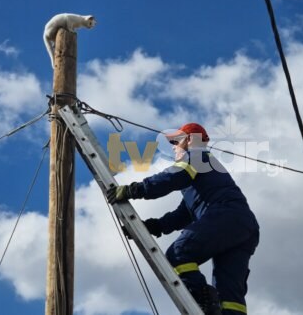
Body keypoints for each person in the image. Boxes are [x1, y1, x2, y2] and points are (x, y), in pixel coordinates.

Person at [107, 122, 259, 315]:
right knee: (229, 295)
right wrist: (154, 226)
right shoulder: (204, 172)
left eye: (176, 143)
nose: (173, 148)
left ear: (189, 140)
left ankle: (203, 302)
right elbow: (184, 214)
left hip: (226, 215)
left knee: (180, 253)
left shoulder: (197, 156)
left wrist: (133, 189)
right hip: (244, 226)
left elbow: (171, 179)